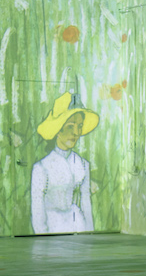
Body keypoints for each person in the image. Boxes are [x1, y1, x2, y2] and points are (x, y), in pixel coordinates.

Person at [31, 92, 99, 234]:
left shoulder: (83, 164)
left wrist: (90, 233)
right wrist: (42, 237)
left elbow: (86, 201)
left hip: (77, 226)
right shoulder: (41, 168)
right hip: (52, 229)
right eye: (70, 126)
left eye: (79, 126)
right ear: (57, 130)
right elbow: (37, 210)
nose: (75, 133)